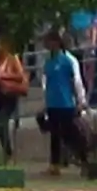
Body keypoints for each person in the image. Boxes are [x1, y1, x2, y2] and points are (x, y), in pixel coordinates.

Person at [39, 26, 89, 175]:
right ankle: (55, 164)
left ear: (56, 43)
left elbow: (75, 82)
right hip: (53, 104)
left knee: (71, 134)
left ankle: (84, 160)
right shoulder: (48, 63)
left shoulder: (67, 61)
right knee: (55, 135)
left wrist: (80, 101)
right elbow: (47, 83)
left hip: (66, 103)